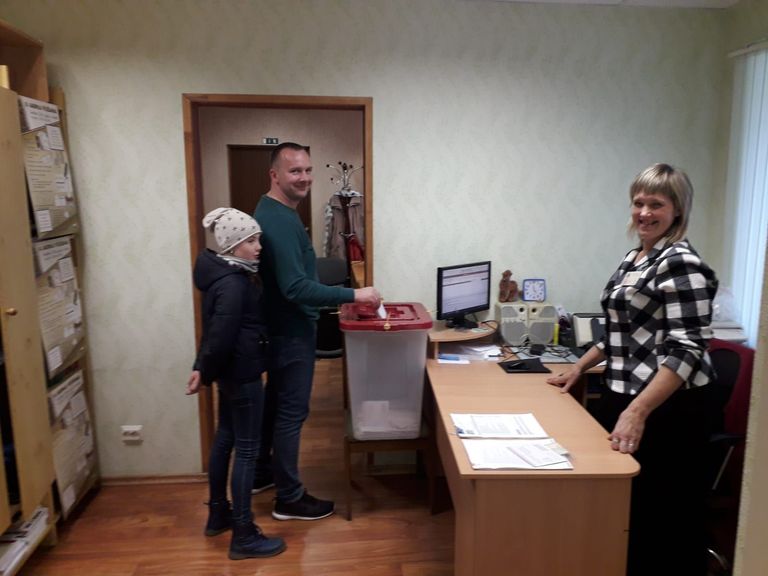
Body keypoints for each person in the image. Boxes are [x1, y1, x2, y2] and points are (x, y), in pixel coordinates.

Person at [547, 163, 719, 576]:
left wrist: (637, 411)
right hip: (625, 393)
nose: (644, 212)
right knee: (628, 507)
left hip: (668, 406)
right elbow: (619, 333)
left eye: (656, 204)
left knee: (660, 513)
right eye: (638, 202)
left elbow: (687, 348)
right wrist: (578, 367)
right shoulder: (635, 258)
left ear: (677, 210)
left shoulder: (681, 263)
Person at [253, 142, 381, 521]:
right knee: (291, 412)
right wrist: (354, 294)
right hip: (289, 331)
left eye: (308, 170)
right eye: (295, 171)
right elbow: (295, 288)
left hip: (283, 328)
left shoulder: (277, 211)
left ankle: (262, 472)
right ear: (274, 175)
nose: (305, 178)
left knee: (275, 405)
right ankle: (289, 498)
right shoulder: (277, 219)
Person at [186, 207, 286, 560]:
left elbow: (213, 330)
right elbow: (221, 334)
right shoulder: (233, 283)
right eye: (251, 241)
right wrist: (204, 369)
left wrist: (202, 367)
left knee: (225, 439)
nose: (259, 247)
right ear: (232, 245)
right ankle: (243, 533)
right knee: (246, 450)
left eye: (258, 239)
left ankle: (219, 513)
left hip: (230, 374)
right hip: (243, 376)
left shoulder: (222, 274)